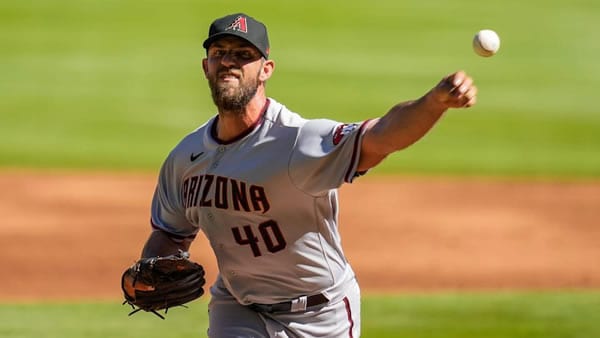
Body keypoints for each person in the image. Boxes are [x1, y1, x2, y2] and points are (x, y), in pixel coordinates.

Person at [130, 12, 477, 337]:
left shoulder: (298, 141)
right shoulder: (184, 158)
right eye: (220, 52)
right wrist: (151, 266)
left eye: (243, 54)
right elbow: (171, 232)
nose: (230, 61)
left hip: (320, 315)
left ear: (266, 69)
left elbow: (382, 136)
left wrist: (433, 103)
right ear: (206, 66)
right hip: (238, 307)